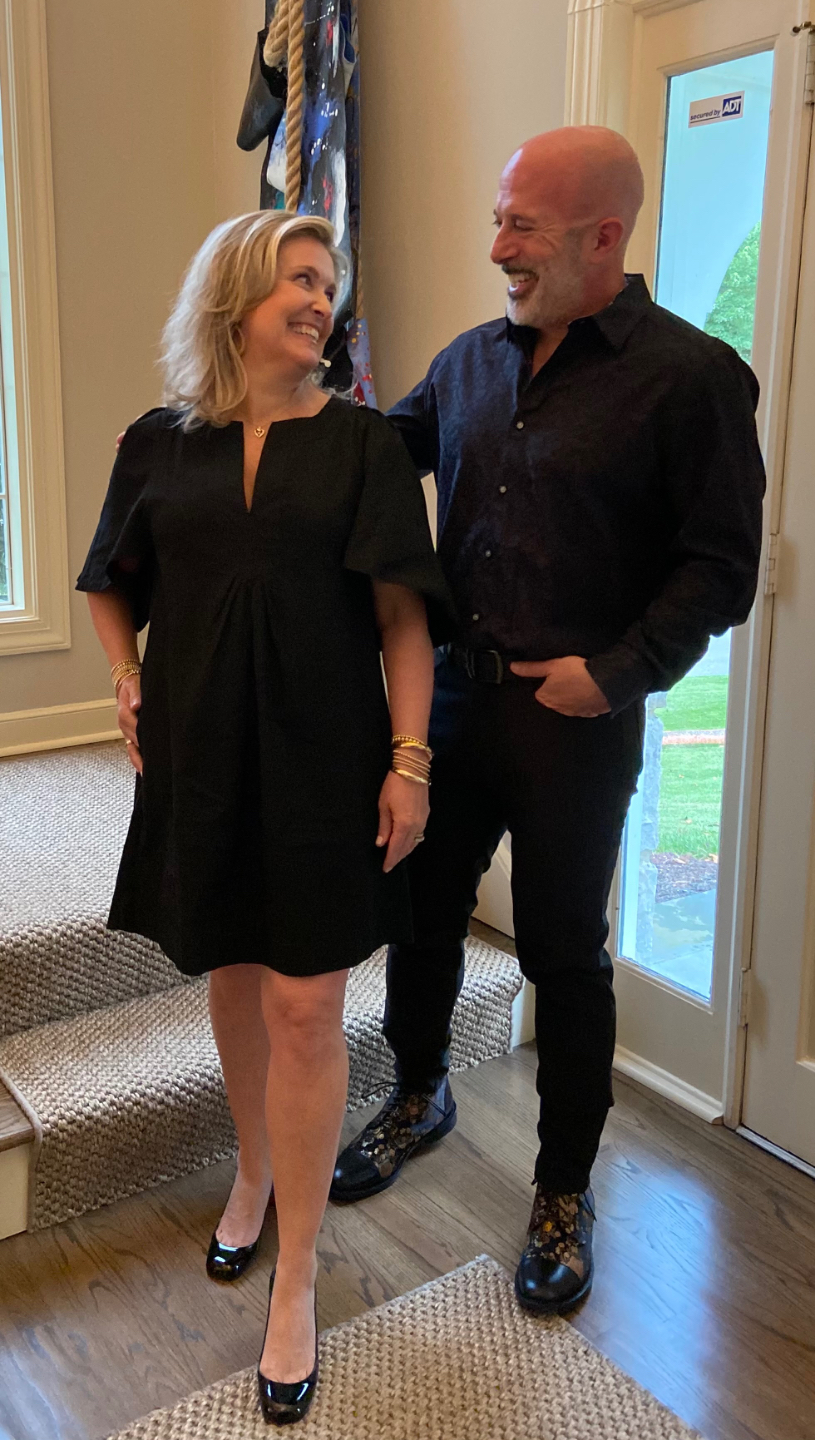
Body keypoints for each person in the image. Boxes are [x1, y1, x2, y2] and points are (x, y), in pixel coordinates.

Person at [331, 126, 766, 1316]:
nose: (496, 249)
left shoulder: (691, 379)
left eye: (519, 226)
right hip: (450, 699)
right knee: (420, 911)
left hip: (573, 721)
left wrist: (617, 672)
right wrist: (239, 426)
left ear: (602, 236)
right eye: (497, 220)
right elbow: (377, 452)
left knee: (562, 953)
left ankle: (563, 1191)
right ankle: (418, 1091)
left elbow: (720, 565)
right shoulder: (469, 360)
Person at [77, 210, 452, 1426]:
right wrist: (126, 679)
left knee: (306, 1002)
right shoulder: (158, 443)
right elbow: (110, 582)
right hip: (200, 754)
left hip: (324, 756)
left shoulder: (362, 446)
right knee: (235, 973)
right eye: (298, 277)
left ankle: (297, 1274)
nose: (319, 300)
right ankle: (251, 1172)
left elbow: (401, 619)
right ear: (233, 296)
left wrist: (409, 762)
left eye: (327, 283)